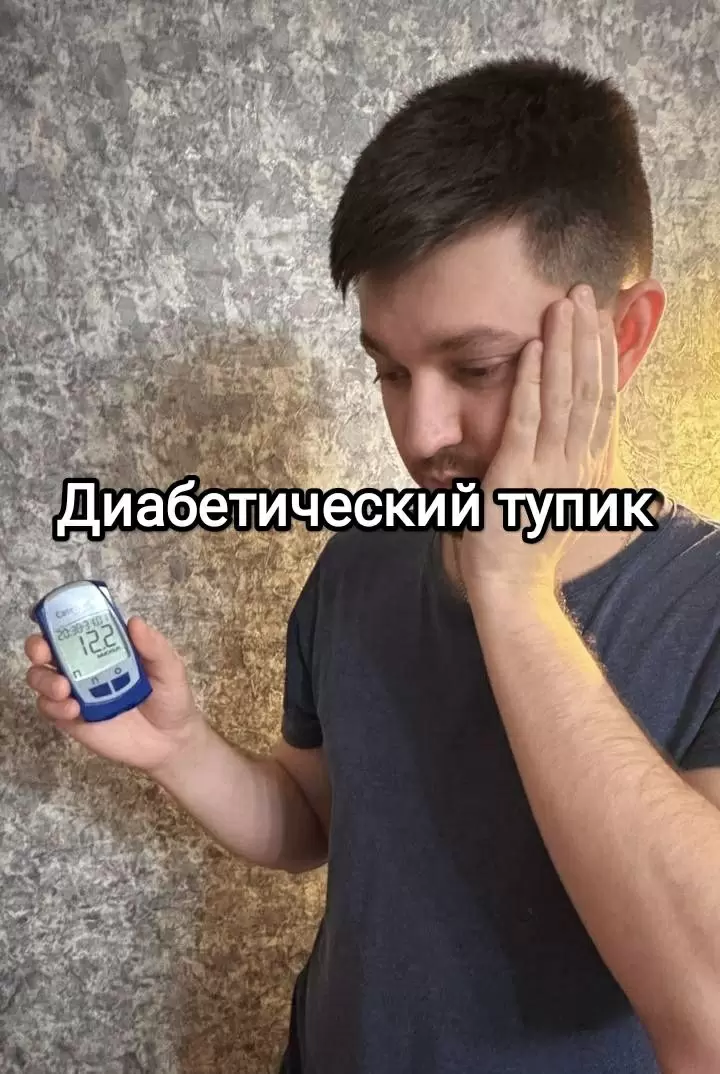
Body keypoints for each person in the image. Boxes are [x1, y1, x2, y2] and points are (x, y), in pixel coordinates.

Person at [25, 54, 720, 1074]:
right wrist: (178, 750)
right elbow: (314, 822)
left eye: (476, 366)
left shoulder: (705, 606)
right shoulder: (359, 562)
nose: (421, 433)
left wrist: (513, 592)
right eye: (390, 371)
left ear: (623, 336)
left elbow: (707, 1018)